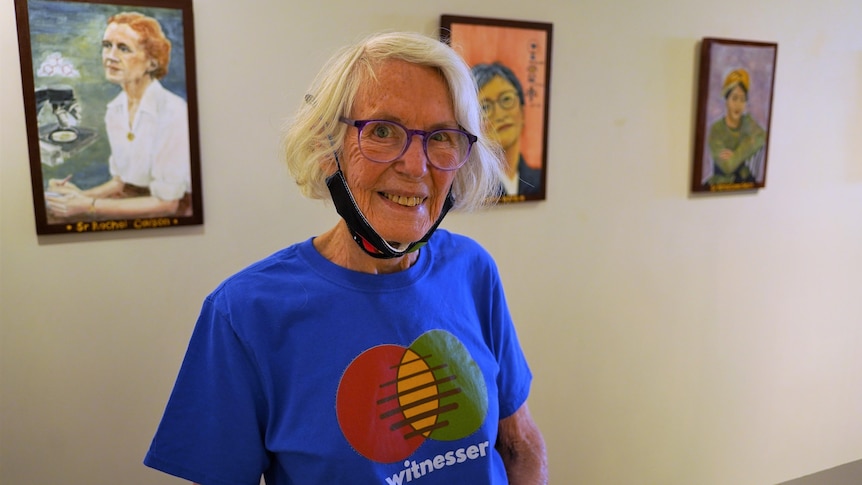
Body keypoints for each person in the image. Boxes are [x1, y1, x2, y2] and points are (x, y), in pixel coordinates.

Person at [143, 31, 548, 484]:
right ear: (327, 149)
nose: (416, 166)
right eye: (381, 131)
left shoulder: (472, 271)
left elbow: (519, 445)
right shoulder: (245, 313)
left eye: (441, 137)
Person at [45, 12, 191, 220]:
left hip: (175, 215)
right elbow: (120, 182)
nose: (110, 56)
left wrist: (87, 204)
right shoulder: (115, 109)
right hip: (132, 200)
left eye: (123, 48)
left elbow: (167, 204)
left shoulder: (173, 111)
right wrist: (75, 196)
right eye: (107, 45)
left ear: (152, 63)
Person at [472, 62, 542, 197]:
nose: (500, 115)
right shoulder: (469, 186)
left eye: (506, 99)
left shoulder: (538, 180)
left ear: (522, 110)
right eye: (485, 107)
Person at [706, 68, 766, 187]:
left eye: (742, 99)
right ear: (726, 100)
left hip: (745, 180)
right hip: (721, 184)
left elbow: (763, 137)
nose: (738, 104)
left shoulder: (747, 122)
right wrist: (749, 143)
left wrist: (734, 154)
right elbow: (727, 167)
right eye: (734, 98)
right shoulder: (716, 129)